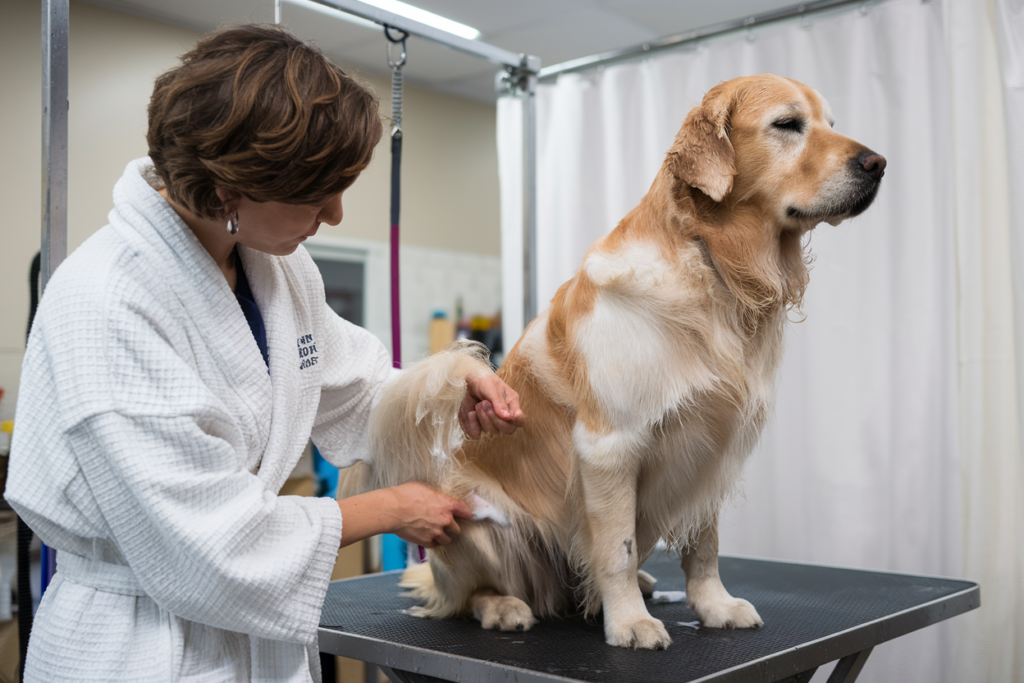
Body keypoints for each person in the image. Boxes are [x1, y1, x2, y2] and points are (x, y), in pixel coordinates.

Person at [6, 24, 523, 682]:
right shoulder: (108, 301)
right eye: (317, 194)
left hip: (251, 644)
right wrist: (391, 509)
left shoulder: (278, 271)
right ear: (229, 191)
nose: (335, 214)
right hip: (138, 647)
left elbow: (361, 392)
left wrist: (454, 384)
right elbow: (210, 542)